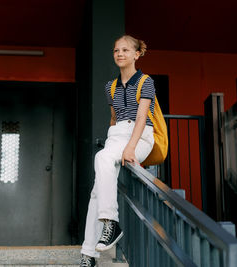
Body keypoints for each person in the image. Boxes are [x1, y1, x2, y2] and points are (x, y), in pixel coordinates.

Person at [80, 35, 156, 267]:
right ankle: (89, 254)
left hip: (140, 136)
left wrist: (131, 146)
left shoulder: (146, 81)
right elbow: (114, 118)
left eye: (125, 50)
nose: (120, 54)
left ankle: (110, 222)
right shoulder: (110, 87)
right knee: (96, 191)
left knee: (101, 157)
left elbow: (142, 117)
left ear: (136, 54)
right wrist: (115, 140)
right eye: (116, 50)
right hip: (117, 135)